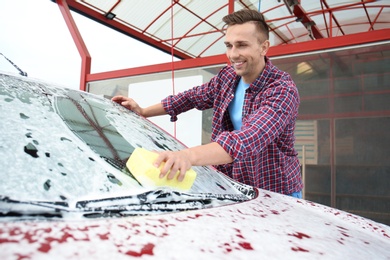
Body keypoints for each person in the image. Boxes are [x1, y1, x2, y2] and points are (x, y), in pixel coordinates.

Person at [112, 9, 303, 198]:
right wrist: (144, 111)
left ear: (264, 47)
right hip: (236, 188)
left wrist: (187, 156)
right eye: (229, 45)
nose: (233, 54)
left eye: (242, 45)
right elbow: (190, 98)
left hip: (277, 191)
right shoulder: (227, 77)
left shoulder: (282, 90)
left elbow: (246, 140)